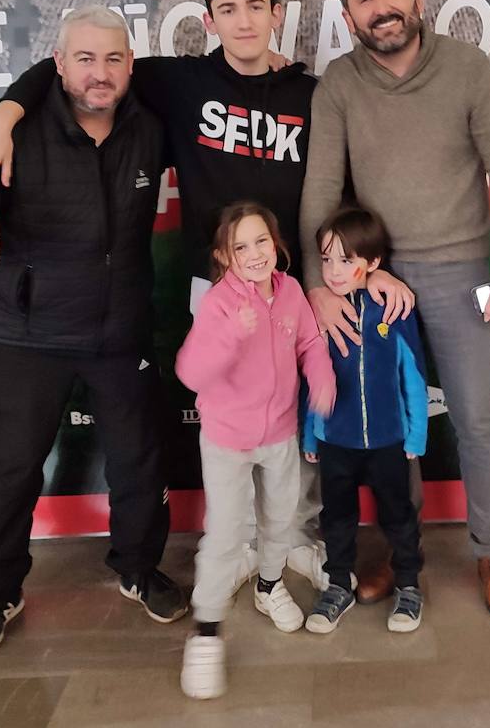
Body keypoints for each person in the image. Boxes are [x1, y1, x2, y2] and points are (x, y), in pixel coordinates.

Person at [0, 0, 413, 593]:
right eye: (227, 9)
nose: (244, 19)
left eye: (256, 5)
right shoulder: (178, 84)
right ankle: (234, 548)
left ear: (278, 14)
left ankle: (292, 545)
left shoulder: (313, 93)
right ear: (208, 21)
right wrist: (5, 115)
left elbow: (354, 191)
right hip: (217, 290)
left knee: (290, 424)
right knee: (230, 428)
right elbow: (78, 68)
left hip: (289, 288)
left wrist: (368, 271)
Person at [0, 5, 187, 658]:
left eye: (112, 59)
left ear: (131, 64)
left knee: (138, 460)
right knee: (14, 468)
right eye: (84, 58)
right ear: (58, 63)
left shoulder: (150, 128)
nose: (99, 73)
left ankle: (137, 566)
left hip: (119, 330)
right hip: (27, 332)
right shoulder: (9, 136)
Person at [299, 0, 490, 623]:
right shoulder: (339, 83)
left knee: (475, 418)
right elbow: (320, 187)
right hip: (370, 279)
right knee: (383, 428)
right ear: (349, 17)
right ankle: (405, 557)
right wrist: (324, 283)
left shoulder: (468, 68)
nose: (381, 6)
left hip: (460, 271)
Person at [174, 201, 336, 699]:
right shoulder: (220, 304)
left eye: (261, 241)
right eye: (240, 246)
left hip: (279, 433)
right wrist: (230, 336)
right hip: (227, 439)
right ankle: (206, 630)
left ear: (276, 242)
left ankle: (269, 586)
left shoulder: (288, 291)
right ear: (224, 255)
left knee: (280, 519)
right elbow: (190, 372)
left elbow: (309, 340)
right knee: (225, 533)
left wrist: (322, 376)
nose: (254, 253)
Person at [303, 206, 427, 634]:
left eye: (346, 260)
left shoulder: (392, 309)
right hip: (336, 441)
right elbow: (312, 380)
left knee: (398, 515)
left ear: (373, 263)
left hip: (390, 442)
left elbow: (412, 375)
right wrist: (311, 433)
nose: (334, 271)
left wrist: (416, 434)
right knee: (336, 518)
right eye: (326, 259)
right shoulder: (319, 313)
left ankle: (409, 586)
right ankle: (338, 584)